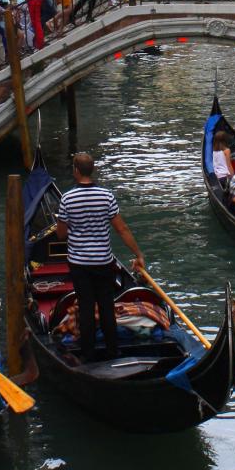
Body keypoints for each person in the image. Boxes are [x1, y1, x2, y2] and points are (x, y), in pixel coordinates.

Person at [55, 153, 145, 361]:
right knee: (106, 305)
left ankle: (88, 354)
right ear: (91, 170)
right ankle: (113, 351)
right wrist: (138, 254)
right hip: (103, 261)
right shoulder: (107, 196)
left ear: (76, 170)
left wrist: (77, 227)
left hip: (79, 263)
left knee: (86, 307)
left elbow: (61, 234)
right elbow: (121, 229)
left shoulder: (67, 198)